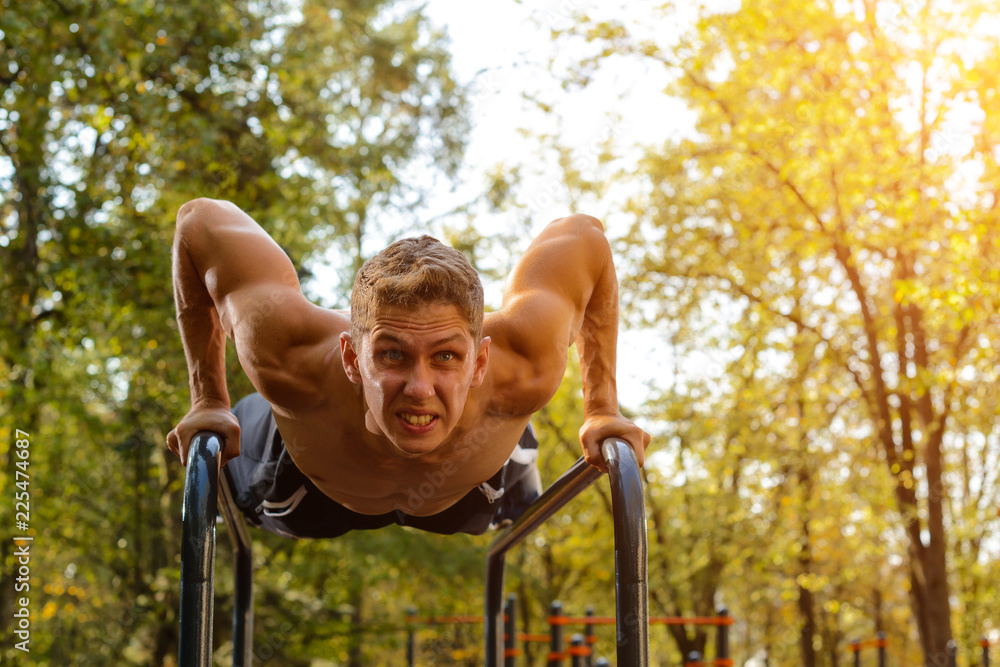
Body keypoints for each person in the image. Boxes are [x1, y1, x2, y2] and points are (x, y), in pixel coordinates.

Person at [166, 198, 650, 539]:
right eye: (392, 354)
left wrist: (602, 407)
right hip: (307, 489)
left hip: (470, 491)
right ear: (353, 358)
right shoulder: (290, 356)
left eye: (445, 356)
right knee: (222, 470)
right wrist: (208, 400)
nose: (420, 389)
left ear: (480, 360)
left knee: (516, 459)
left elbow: (585, 236)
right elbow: (198, 221)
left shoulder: (525, 360)